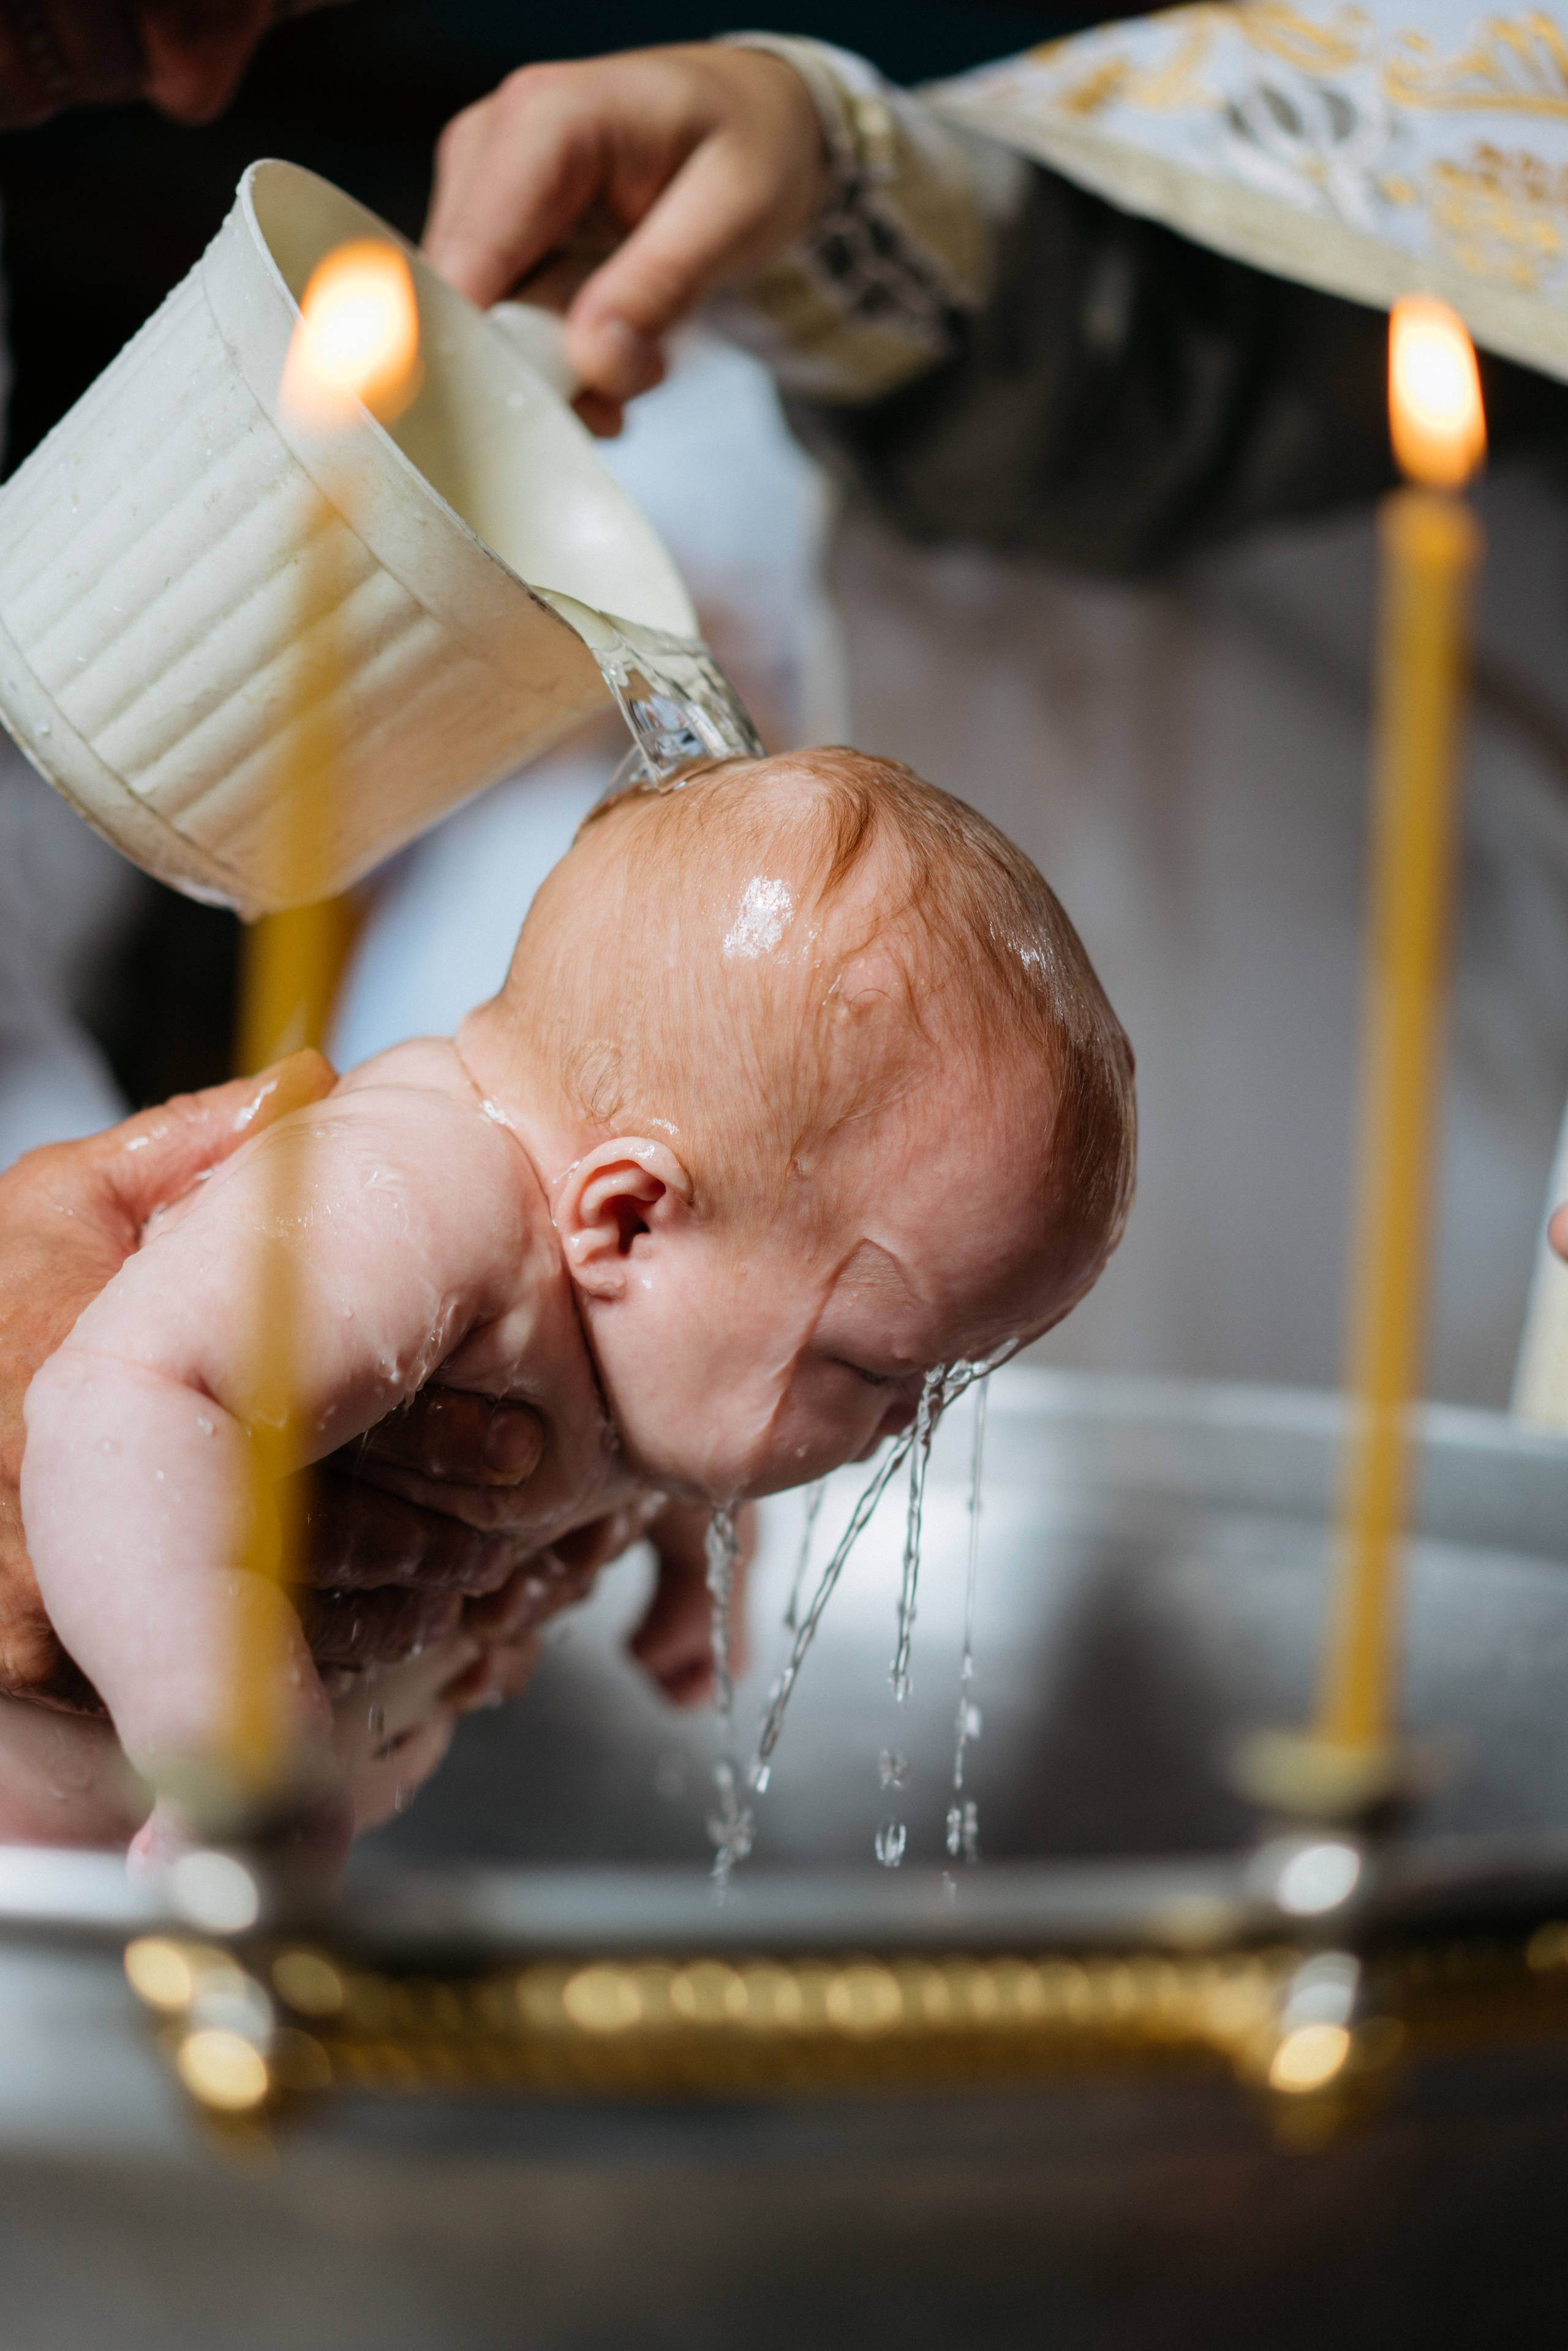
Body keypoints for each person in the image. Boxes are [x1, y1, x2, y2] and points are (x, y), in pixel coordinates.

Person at [20, 748, 1136, 1857]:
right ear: (628, 1219)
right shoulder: (423, 1200)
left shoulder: (656, 1304)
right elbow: (125, 1400)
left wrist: (696, 1548)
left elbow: (704, 1379)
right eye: (877, 1369)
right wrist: (232, 1746)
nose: (912, 1421)